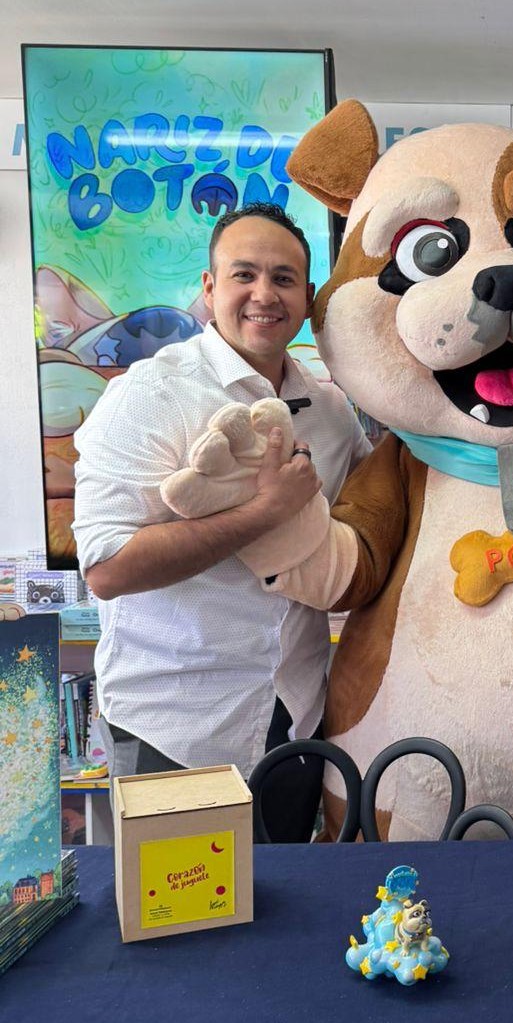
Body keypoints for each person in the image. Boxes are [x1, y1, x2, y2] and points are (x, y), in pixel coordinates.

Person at [73, 202, 373, 841]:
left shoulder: (331, 411)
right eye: (244, 275)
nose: (264, 294)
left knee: (289, 894)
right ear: (210, 288)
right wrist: (265, 513)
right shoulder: (148, 395)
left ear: (308, 297)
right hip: (176, 726)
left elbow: (368, 526)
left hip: (295, 717)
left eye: (284, 278)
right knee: (178, 902)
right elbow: (107, 568)